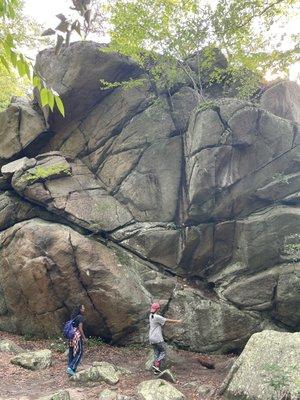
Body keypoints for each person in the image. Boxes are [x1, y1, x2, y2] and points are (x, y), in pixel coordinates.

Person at [149, 303, 182, 374]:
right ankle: (157, 363)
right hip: (157, 338)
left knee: (156, 353)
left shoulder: (150, 316)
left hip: (151, 338)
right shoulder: (157, 317)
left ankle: (156, 369)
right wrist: (177, 321)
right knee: (163, 351)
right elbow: (167, 320)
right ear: (158, 309)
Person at [66, 304, 87, 376]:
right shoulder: (80, 317)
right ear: (80, 309)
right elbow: (80, 328)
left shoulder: (73, 317)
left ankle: (70, 369)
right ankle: (71, 368)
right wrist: (84, 338)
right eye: (83, 308)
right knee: (80, 352)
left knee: (71, 352)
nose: (84, 309)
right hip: (77, 336)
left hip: (71, 336)